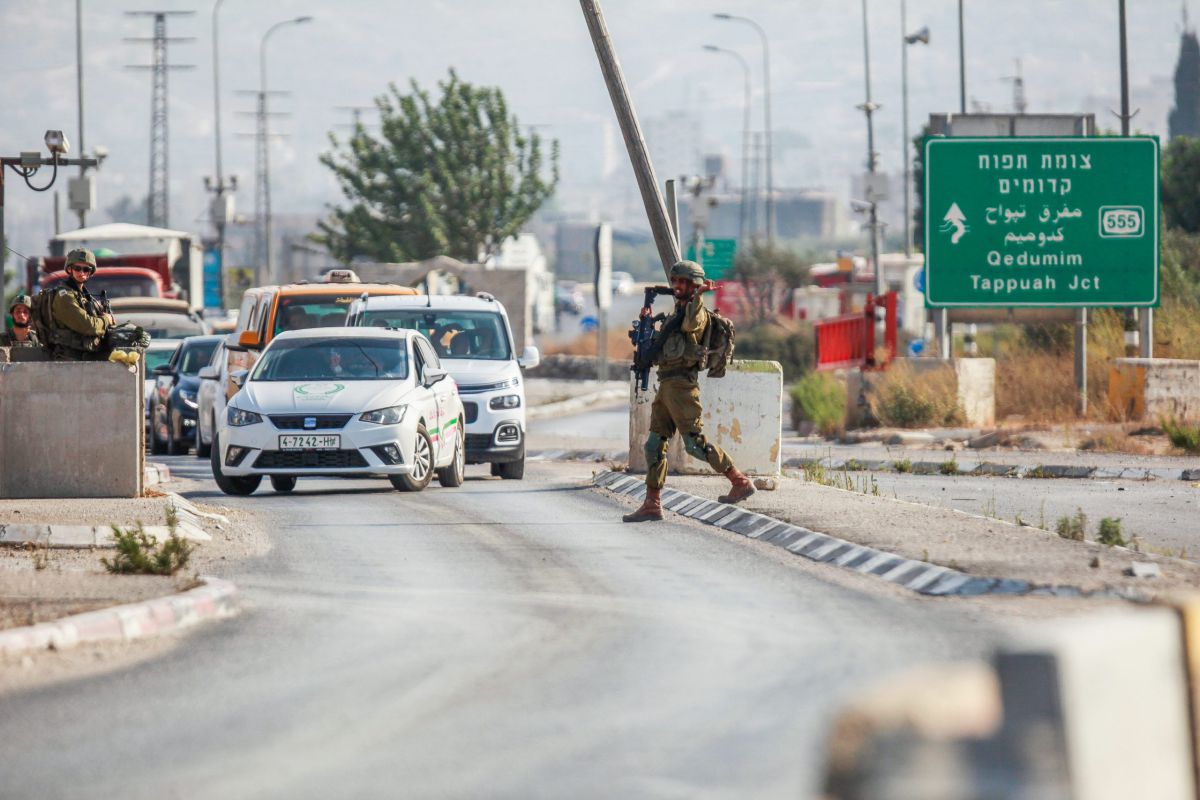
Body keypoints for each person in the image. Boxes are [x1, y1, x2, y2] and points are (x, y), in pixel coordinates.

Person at [623, 260, 755, 523]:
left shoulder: (696, 312)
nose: (677, 286)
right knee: (654, 445)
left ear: (694, 285)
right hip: (667, 384)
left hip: (682, 386)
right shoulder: (677, 312)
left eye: (683, 282)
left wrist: (698, 297)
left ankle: (739, 480)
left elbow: (690, 326)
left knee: (694, 444)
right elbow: (665, 346)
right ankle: (652, 504)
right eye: (675, 281)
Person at [45, 248, 114, 361]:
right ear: (69, 269)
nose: (81, 273)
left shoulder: (82, 296)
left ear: (90, 272)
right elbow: (88, 326)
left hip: (85, 356)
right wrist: (106, 320)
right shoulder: (65, 296)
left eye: (86, 269)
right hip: (69, 359)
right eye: (77, 268)